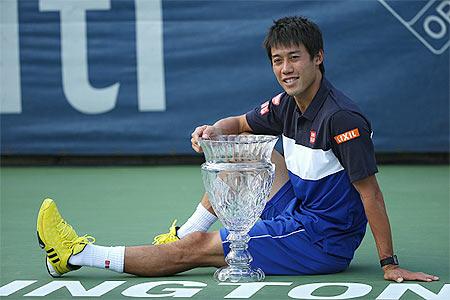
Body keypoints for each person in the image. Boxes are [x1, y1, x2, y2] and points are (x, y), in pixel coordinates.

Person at [37, 16, 438, 282]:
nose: (286, 69)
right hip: (299, 204)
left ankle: (75, 255)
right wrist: (213, 131)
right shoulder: (287, 105)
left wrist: (389, 263)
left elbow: (371, 193)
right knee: (242, 149)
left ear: (318, 58)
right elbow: (240, 125)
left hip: (320, 239)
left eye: (295, 58)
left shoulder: (341, 118)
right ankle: (180, 234)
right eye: (278, 60)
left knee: (193, 252)